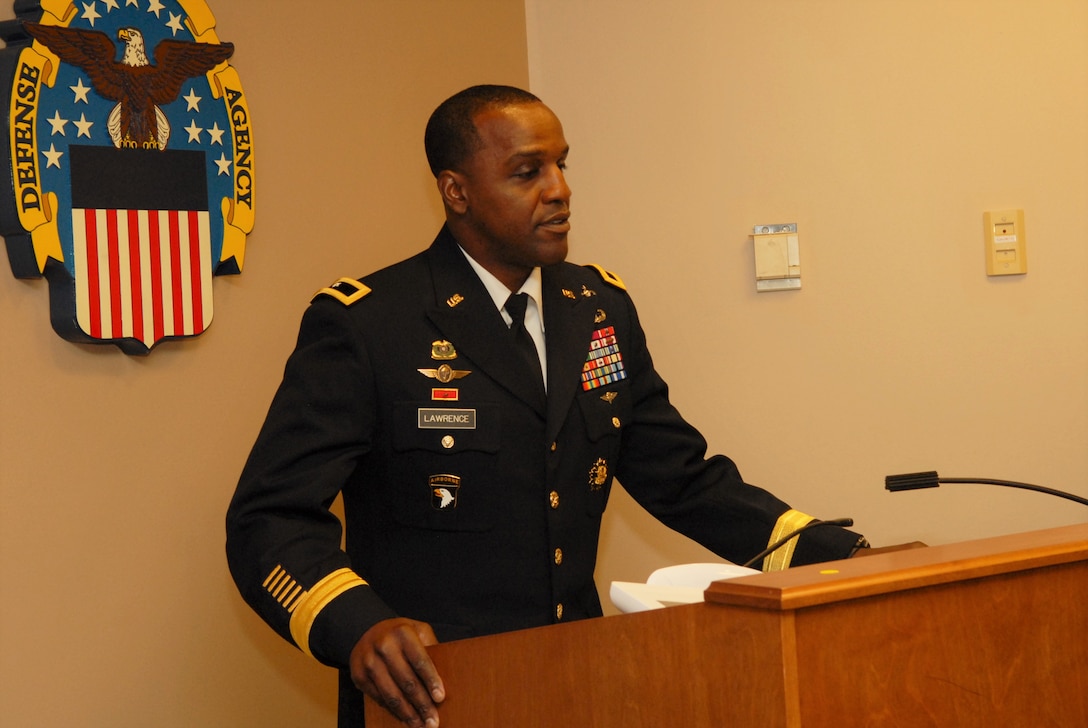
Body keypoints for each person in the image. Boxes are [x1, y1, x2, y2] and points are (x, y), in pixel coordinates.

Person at [226, 85, 869, 728]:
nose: (560, 189)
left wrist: (840, 555)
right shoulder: (372, 324)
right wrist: (356, 624)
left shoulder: (596, 308)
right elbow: (269, 517)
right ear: (457, 192)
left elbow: (683, 477)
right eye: (528, 171)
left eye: (562, 164)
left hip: (578, 680)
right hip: (436, 693)